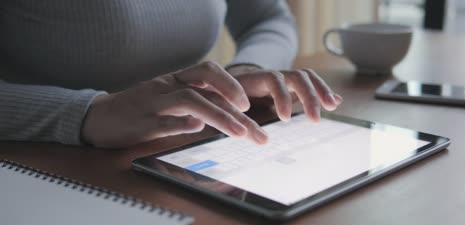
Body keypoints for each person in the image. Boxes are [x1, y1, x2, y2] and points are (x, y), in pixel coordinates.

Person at [0, 0, 343, 148]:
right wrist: (85, 112)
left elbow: (268, 18)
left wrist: (246, 70)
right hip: (46, 162)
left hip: (182, 147)